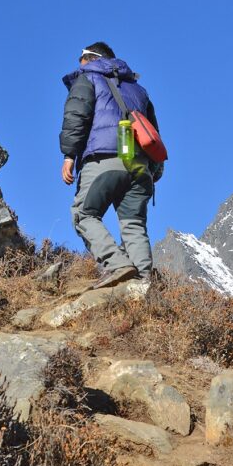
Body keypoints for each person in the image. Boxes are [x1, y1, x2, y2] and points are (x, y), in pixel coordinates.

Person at [60, 42, 160, 289]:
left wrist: (69, 155)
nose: (79, 63)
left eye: (81, 57)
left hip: (104, 158)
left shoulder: (88, 79)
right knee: (133, 223)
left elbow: (76, 116)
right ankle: (143, 283)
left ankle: (116, 264)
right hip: (139, 165)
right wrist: (153, 170)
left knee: (83, 214)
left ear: (91, 58)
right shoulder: (139, 90)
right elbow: (154, 132)